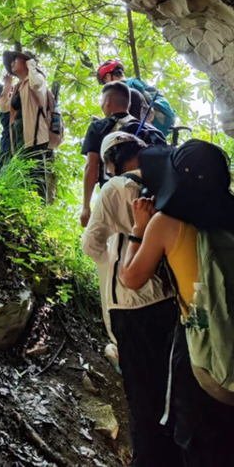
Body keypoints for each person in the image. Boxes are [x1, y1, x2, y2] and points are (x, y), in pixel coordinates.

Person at [121, 141, 234, 465]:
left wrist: (138, 229)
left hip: (202, 360)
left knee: (200, 447)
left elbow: (131, 278)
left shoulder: (166, 224)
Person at [82, 132, 180, 465]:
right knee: (169, 395)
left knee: (142, 401)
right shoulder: (167, 183)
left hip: (131, 306)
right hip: (170, 304)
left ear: (110, 161)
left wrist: (117, 246)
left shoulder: (113, 188)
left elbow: (91, 245)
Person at [80, 81, 165, 227]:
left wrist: (86, 206)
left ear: (107, 101)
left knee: (114, 244)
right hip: (148, 203)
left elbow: (91, 166)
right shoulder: (151, 131)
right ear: (129, 106)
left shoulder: (98, 127)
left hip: (114, 197)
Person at [0, 50, 50, 201]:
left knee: (36, 175)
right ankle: (26, 208)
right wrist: (7, 85)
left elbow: (36, 84)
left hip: (35, 138)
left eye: (16, 59)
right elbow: (4, 108)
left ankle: (41, 212)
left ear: (27, 62)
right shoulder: (18, 87)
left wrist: (32, 64)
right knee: (24, 175)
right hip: (20, 139)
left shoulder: (36, 78)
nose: (13, 62)